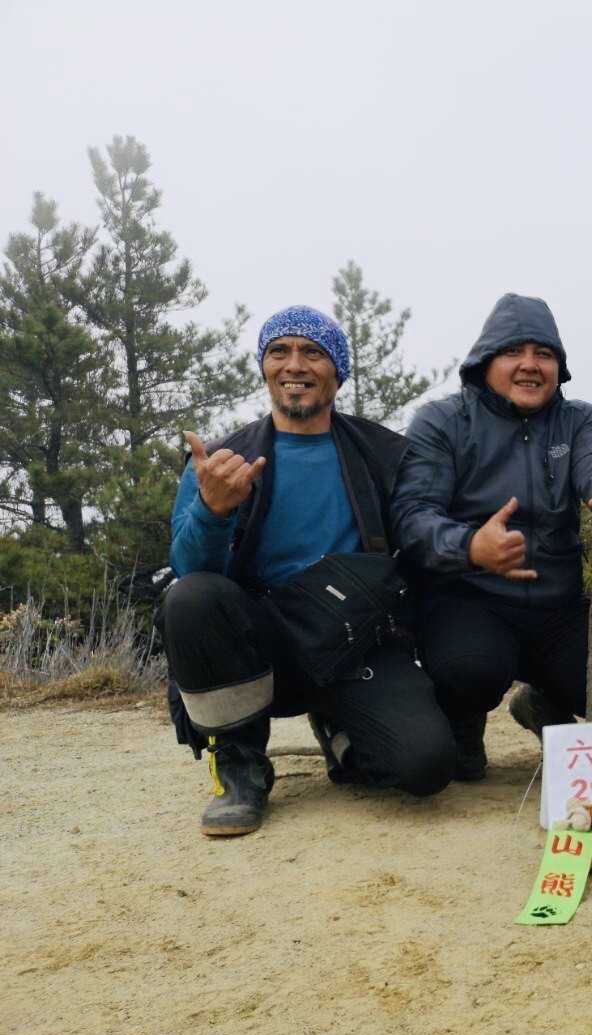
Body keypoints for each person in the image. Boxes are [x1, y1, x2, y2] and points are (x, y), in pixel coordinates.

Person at [161, 306, 458, 837]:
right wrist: (213, 512)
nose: (294, 364)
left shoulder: (386, 455)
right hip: (261, 641)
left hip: (357, 638)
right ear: (265, 367)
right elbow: (191, 571)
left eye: (313, 352)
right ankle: (239, 765)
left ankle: (340, 731)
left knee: (425, 768)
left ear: (338, 373)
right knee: (190, 599)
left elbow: (421, 543)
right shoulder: (221, 461)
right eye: (280, 351)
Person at [392, 293, 592, 780]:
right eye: (514, 351)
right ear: (484, 360)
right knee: (470, 669)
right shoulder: (443, 422)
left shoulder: (575, 419)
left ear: (559, 365)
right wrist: (471, 546)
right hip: (472, 597)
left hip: (558, 606)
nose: (530, 365)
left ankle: (542, 702)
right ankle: (463, 725)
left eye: (545, 354)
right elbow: (412, 516)